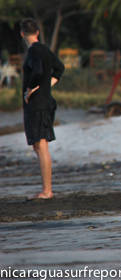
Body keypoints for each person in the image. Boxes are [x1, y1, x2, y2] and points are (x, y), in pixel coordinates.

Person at [20, 18, 65, 199]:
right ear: (37, 32)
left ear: (22, 34)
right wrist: (48, 85)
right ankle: (46, 189)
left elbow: (38, 71)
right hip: (43, 102)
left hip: (38, 105)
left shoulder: (34, 52)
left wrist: (31, 88)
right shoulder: (44, 50)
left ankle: (47, 191)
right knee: (38, 145)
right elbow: (60, 68)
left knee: (41, 144)